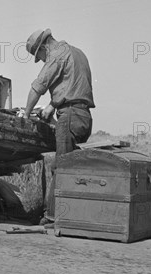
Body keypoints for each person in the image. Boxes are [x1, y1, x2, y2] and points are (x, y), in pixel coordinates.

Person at [19, 28, 95, 225]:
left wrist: (26, 115)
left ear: (44, 47)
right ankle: (75, 213)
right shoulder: (77, 53)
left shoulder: (56, 55)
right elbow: (73, 86)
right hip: (83, 117)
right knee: (74, 167)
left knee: (60, 167)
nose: (43, 60)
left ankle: (54, 216)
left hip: (69, 116)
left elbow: (38, 87)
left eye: (41, 57)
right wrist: (52, 106)